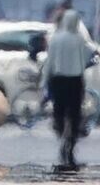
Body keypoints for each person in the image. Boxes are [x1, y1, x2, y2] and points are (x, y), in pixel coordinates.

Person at [41, 10, 96, 168]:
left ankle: (62, 136)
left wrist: (45, 82)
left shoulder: (56, 39)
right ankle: (70, 145)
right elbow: (87, 56)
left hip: (59, 80)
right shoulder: (79, 39)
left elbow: (49, 63)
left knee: (60, 110)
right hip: (75, 80)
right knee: (74, 113)